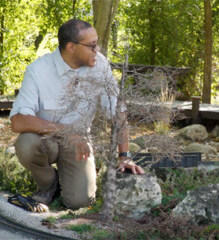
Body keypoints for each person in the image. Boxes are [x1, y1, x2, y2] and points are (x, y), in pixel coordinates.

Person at [9, 19, 144, 210]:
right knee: (27, 144)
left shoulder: (100, 66)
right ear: (71, 47)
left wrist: (124, 155)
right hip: (45, 140)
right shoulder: (38, 70)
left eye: (97, 43)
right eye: (91, 45)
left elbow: (117, 112)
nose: (97, 49)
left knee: (80, 202)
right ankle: (49, 184)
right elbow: (18, 122)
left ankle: (72, 182)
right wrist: (66, 132)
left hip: (79, 143)